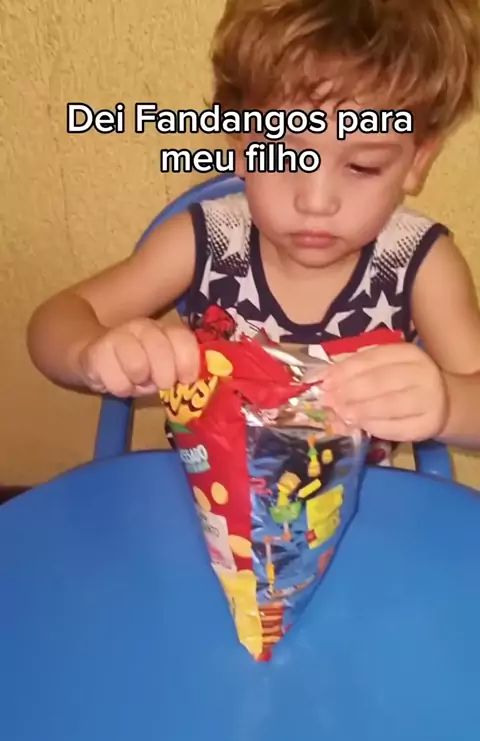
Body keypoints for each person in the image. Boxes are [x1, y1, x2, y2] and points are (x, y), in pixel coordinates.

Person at [27, 0, 480, 461]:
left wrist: (449, 405)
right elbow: (53, 322)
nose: (315, 202)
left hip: (359, 497)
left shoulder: (420, 264)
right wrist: (92, 353)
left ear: (416, 161)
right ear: (241, 143)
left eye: (363, 166)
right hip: (207, 492)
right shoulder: (206, 241)